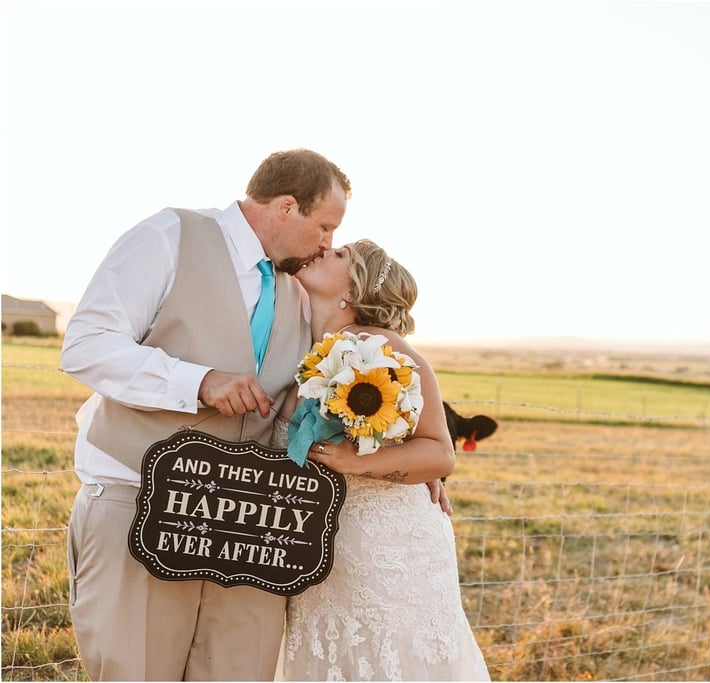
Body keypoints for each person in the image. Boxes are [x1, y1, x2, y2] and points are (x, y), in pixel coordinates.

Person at [61, 149, 353, 681]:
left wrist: (409, 465)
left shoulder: (301, 290)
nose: (328, 243)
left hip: (251, 523)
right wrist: (197, 382)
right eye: (325, 226)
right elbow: (86, 345)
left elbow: (339, 385)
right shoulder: (169, 236)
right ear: (287, 207)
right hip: (139, 503)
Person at [275, 239, 491, 681]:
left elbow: (438, 452)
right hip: (321, 553)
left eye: (339, 256)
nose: (323, 250)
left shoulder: (379, 348)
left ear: (350, 291)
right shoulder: (302, 347)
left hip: (385, 553)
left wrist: (358, 463)